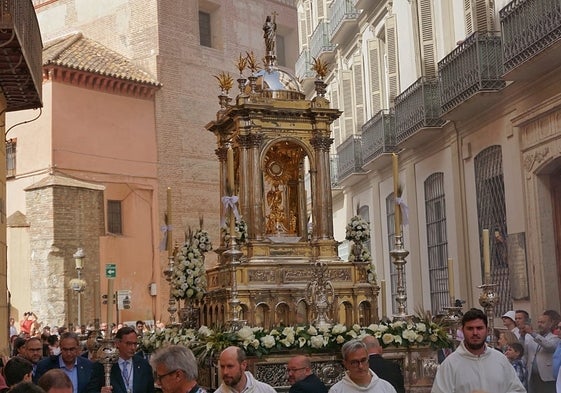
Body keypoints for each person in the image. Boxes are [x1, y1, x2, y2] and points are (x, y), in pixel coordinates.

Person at [431, 308, 526, 393]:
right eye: (470, 328)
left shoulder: (500, 359)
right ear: (463, 331)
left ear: (487, 331)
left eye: (479, 328)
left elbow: (517, 390)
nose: (475, 333)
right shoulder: (450, 364)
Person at [34, 331, 98, 393]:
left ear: (78, 348)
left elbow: (92, 389)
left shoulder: (88, 366)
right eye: (65, 349)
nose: (68, 353)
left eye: (72, 349)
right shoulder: (45, 365)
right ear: (60, 347)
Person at [95, 326, 154, 393]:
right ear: (117, 343)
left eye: (135, 344)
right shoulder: (103, 364)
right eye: (128, 344)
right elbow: (91, 390)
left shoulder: (143, 365)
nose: (133, 348)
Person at [328, 340, 396, 393]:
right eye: (354, 362)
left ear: (368, 359)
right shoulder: (337, 390)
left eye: (363, 360)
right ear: (345, 364)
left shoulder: (386, 387)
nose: (360, 366)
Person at [522, 309, 561, 393]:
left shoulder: (554, 337)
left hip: (547, 377)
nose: (540, 325)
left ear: (550, 324)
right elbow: (524, 352)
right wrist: (522, 336)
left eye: (542, 322)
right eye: (539, 322)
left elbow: (548, 346)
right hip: (532, 375)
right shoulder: (533, 337)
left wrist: (532, 333)